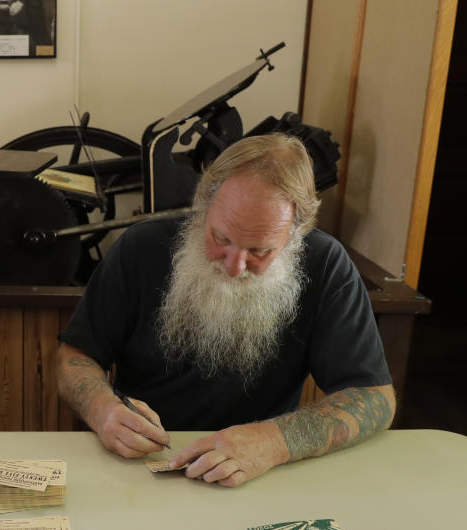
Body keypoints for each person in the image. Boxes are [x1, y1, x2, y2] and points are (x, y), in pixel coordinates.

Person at [57, 134, 394, 487]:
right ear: (203, 205)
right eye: (221, 239)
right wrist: (101, 409)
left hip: (263, 473)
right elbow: (74, 355)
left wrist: (275, 441)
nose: (235, 267)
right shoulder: (140, 247)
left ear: (296, 235)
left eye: (260, 251)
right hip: (142, 466)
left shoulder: (325, 264)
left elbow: (374, 398)